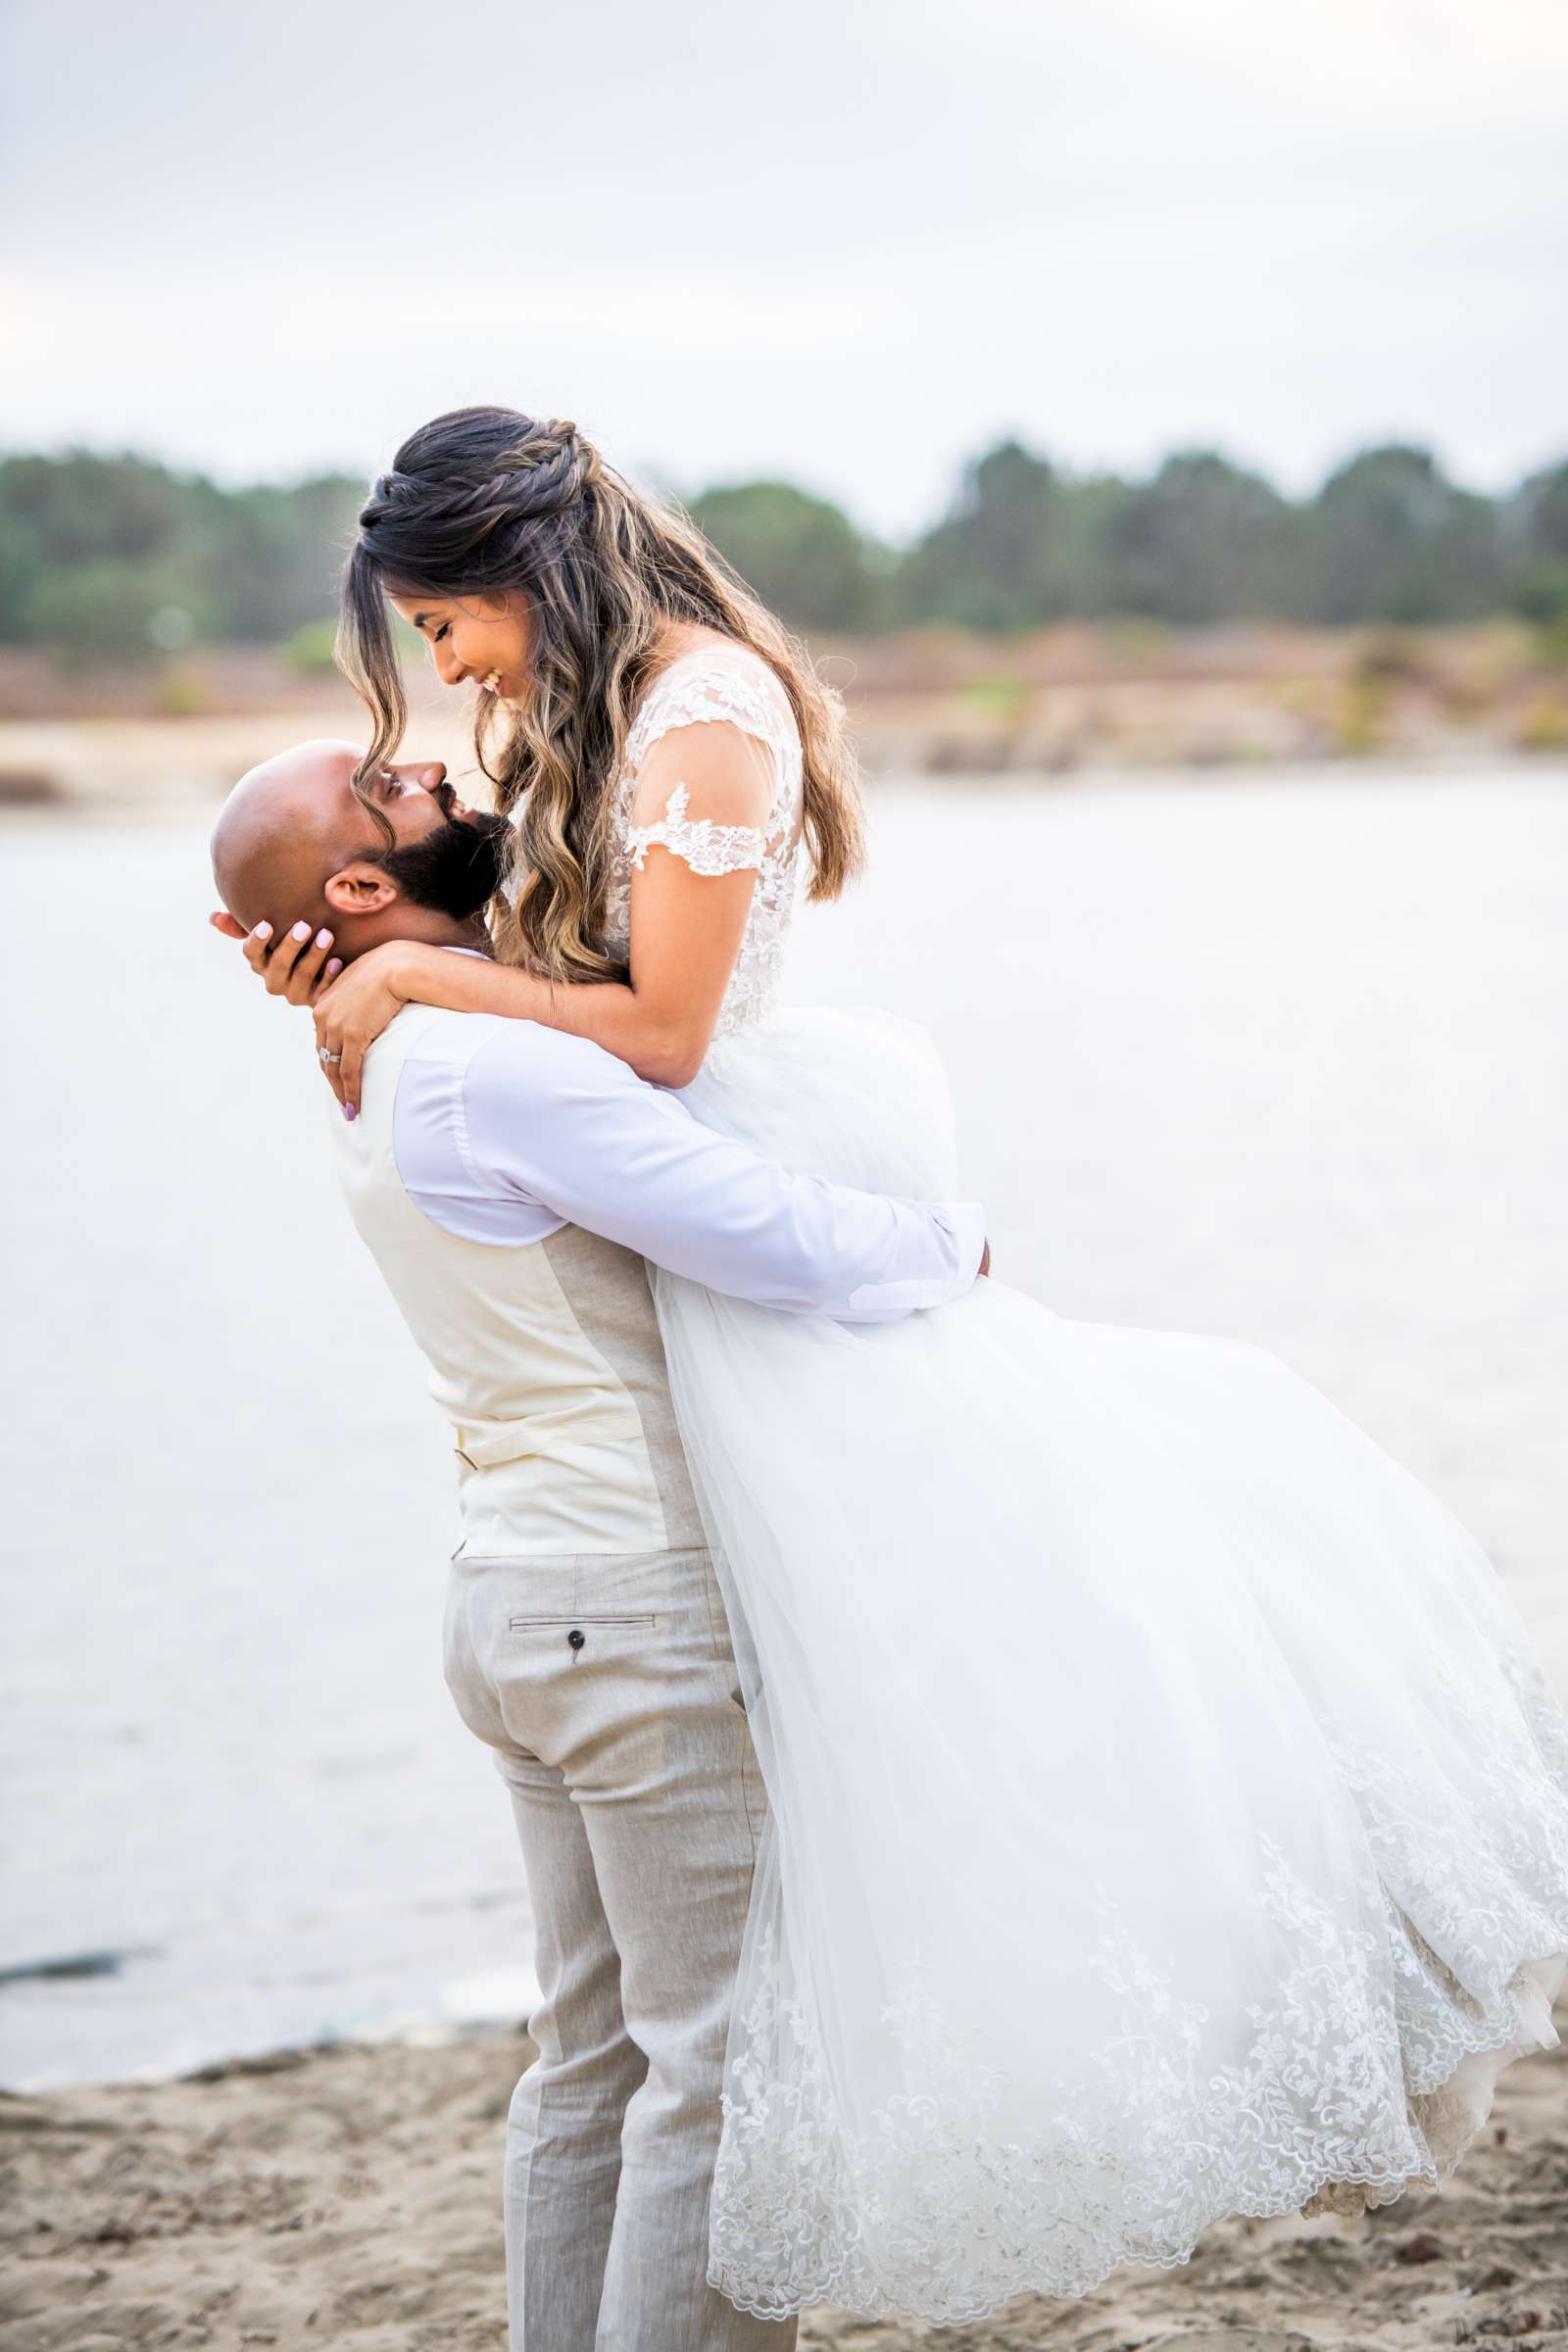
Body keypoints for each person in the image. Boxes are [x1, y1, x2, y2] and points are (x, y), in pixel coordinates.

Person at [217, 409, 1568, 2328]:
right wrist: (389, 959)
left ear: (519, 573)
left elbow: (658, 1024)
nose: (446, 684)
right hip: (637, 1490)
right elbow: (627, 1037)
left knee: (614, 2041)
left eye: (442, 630)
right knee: (684, 2050)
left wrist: (404, 965)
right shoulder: (538, 874)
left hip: (590, 1449)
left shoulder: (689, 716)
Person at [210, 739, 988, 2352]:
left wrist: (411, 959)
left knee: (594, 2063)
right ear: (361, 887)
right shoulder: (485, 1064)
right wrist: (948, 1249)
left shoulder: (392, 1048)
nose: (430, 761)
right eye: (389, 786)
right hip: (629, 1614)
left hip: (514, 1597)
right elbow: (760, 1234)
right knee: (717, 2065)